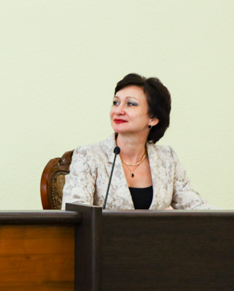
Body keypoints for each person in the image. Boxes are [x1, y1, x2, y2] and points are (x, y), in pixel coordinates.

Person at [61, 73, 211, 210]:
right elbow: (75, 213)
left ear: (153, 118)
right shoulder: (88, 156)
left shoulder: (168, 159)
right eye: (115, 102)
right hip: (105, 240)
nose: (118, 110)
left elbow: (195, 207)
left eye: (131, 104)